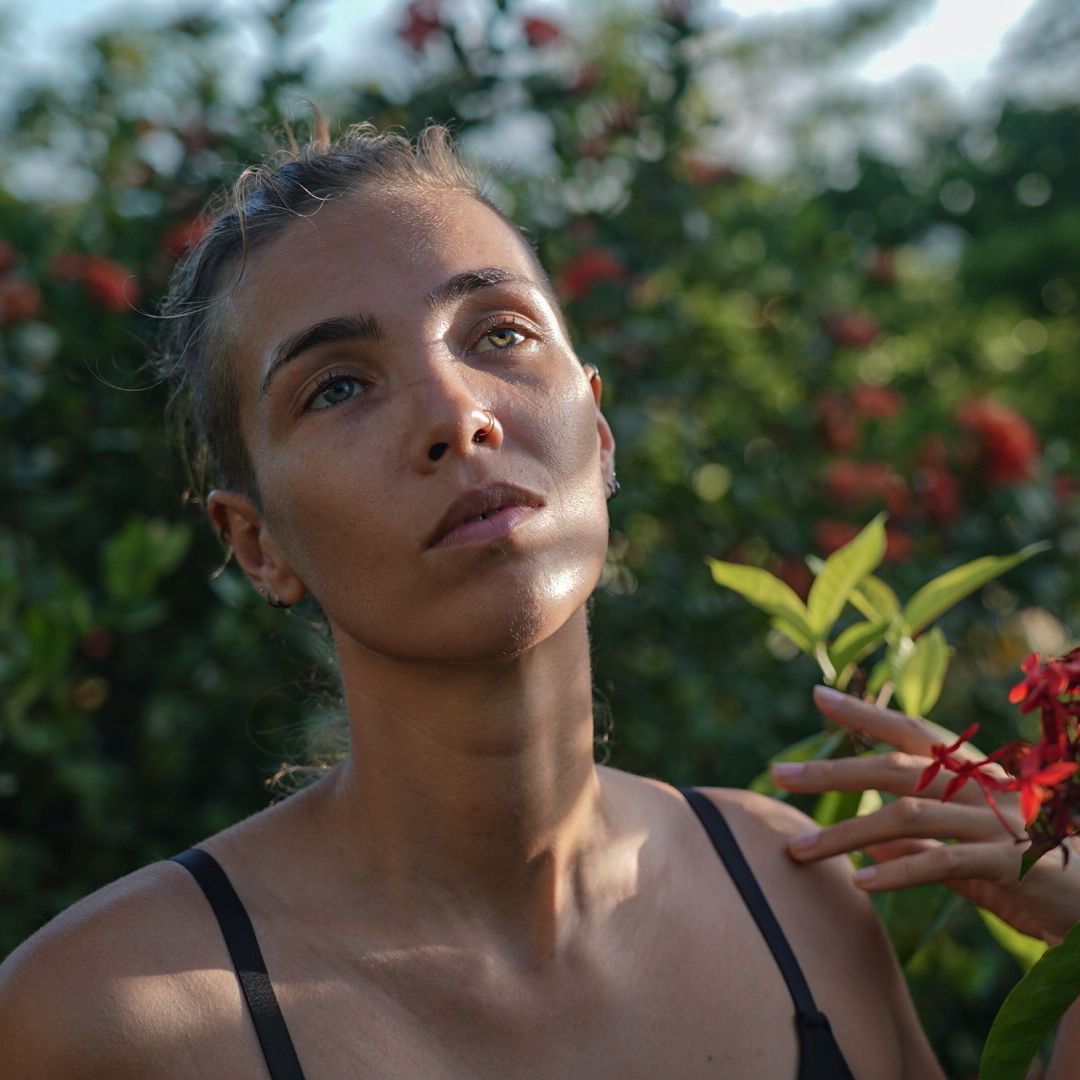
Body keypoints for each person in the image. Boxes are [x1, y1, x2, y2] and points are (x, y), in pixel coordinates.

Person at [0, 123, 1075, 1079]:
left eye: (497, 334)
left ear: (599, 434)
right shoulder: (104, 1022)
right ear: (257, 542)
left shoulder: (797, 893)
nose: (457, 413)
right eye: (336, 386)